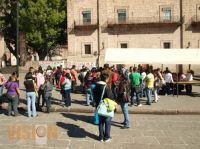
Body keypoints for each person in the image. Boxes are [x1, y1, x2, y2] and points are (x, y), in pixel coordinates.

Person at [93, 73, 114, 142]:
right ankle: (107, 137)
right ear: (106, 79)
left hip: (98, 106)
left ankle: (101, 137)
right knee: (107, 122)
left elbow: (94, 96)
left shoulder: (96, 86)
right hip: (106, 107)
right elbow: (111, 97)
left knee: (100, 123)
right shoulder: (106, 87)